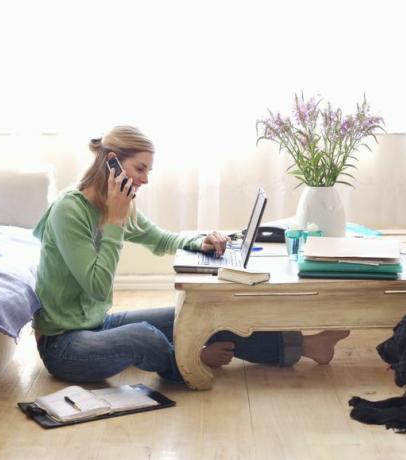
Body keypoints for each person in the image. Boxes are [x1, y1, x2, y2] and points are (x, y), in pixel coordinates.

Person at [32, 125, 350, 383]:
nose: (145, 179)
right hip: (64, 345)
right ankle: (190, 363)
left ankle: (308, 345)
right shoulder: (69, 210)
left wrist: (203, 242)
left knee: (206, 316)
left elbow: (160, 239)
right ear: (111, 162)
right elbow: (97, 286)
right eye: (139, 168)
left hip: (99, 324)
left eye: (148, 170)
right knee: (143, 337)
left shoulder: (118, 204)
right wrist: (115, 221)